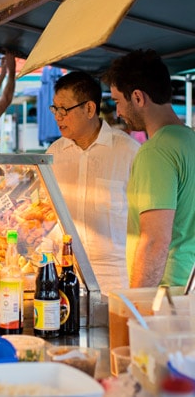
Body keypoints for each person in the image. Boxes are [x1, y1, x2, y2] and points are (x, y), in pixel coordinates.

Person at [103, 49, 195, 288]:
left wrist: (136, 307)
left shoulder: (156, 152)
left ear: (137, 97)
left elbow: (155, 241)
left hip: (168, 297)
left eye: (117, 102)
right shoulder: (189, 140)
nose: (118, 112)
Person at [46, 72, 140, 295]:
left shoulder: (128, 152)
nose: (57, 117)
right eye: (55, 109)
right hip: (66, 276)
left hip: (116, 280)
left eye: (64, 110)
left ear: (89, 109)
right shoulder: (54, 154)